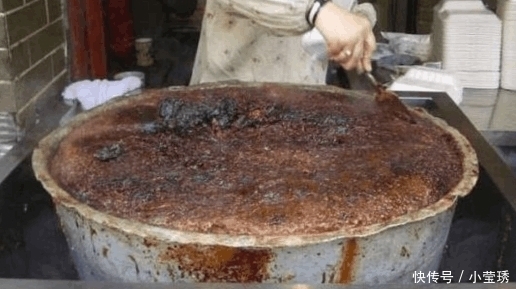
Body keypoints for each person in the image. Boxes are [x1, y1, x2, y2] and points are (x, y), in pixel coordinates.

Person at [189, 0, 377, 85]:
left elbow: (341, 7)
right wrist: (316, 10)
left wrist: (360, 18)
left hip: (306, 92)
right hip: (230, 91)